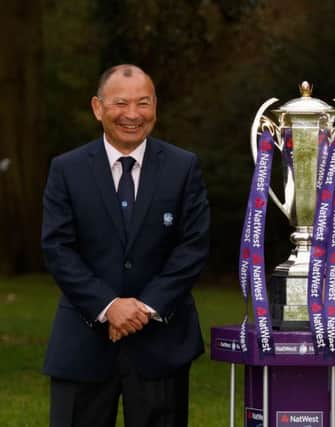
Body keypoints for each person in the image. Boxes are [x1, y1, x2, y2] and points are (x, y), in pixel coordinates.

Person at [41, 64, 210, 427]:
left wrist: (143, 309)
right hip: (82, 345)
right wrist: (108, 306)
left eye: (143, 103)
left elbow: (192, 247)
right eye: (120, 103)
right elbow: (58, 248)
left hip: (161, 347)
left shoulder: (183, 167)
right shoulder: (66, 169)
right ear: (97, 108)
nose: (132, 115)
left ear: (155, 107)